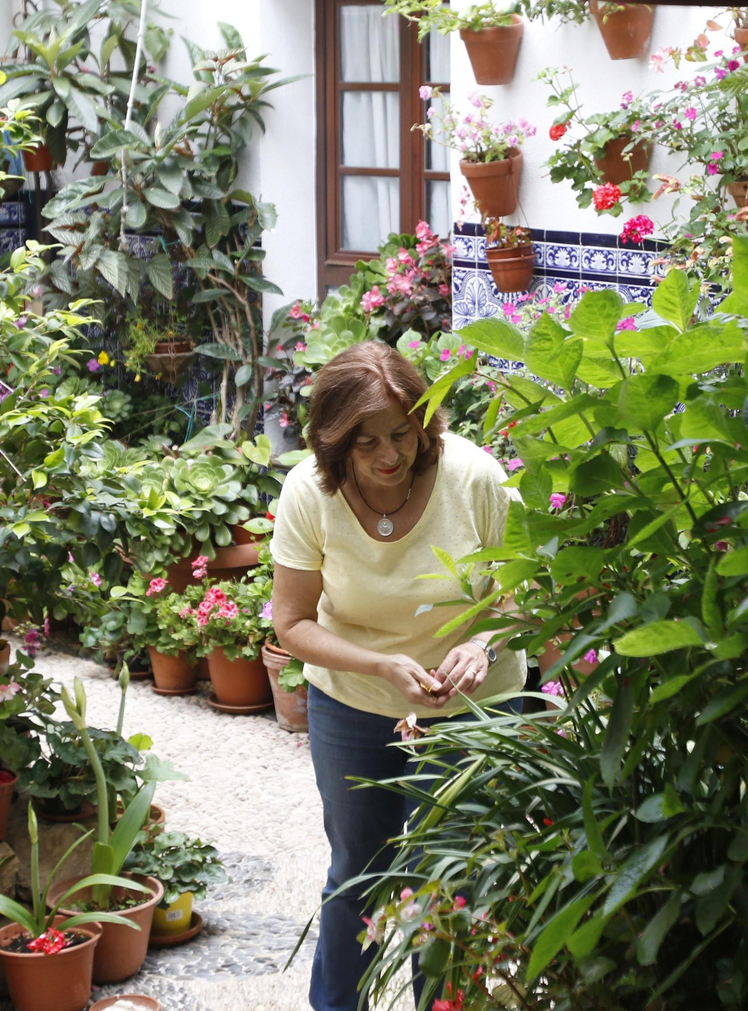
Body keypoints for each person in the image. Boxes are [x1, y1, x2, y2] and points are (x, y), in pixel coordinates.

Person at [270, 341, 524, 1011]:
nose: (389, 456)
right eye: (366, 443)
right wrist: (381, 664)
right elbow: (291, 624)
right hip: (354, 701)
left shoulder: (474, 477)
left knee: (444, 882)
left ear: (424, 424)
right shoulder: (309, 493)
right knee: (358, 871)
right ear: (334, 445)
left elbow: (527, 595)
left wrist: (484, 644)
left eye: (402, 434)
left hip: (471, 709)